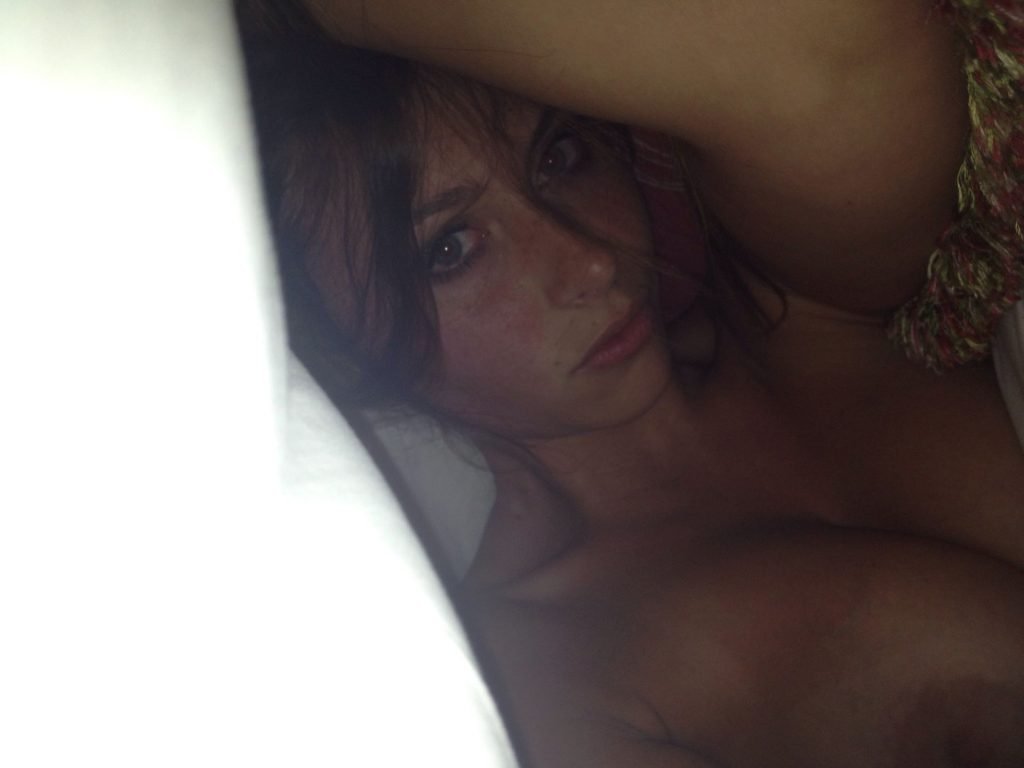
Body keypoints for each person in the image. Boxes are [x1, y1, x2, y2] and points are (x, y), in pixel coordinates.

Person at [236, 1, 1024, 764]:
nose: (591, 262)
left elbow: (833, 42)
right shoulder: (538, 679)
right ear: (343, 358)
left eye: (560, 158)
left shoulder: (809, 316)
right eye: (451, 250)